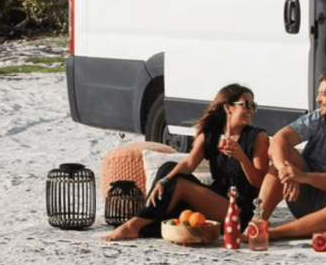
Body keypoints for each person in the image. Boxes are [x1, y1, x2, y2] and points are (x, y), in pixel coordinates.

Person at [103, 83, 269, 241]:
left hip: (239, 209)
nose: (250, 110)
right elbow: (188, 164)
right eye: (246, 104)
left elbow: (260, 183)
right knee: (169, 170)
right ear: (228, 107)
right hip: (214, 198)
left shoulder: (257, 137)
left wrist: (241, 157)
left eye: (252, 106)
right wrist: (164, 181)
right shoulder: (210, 135)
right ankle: (140, 227)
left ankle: (132, 224)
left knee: (180, 183)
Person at [246, 67, 326, 241]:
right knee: (288, 155)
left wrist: (303, 176)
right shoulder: (318, 118)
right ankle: (256, 223)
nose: (318, 99)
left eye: (323, 94)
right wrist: (284, 170)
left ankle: (272, 234)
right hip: (302, 196)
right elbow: (279, 139)